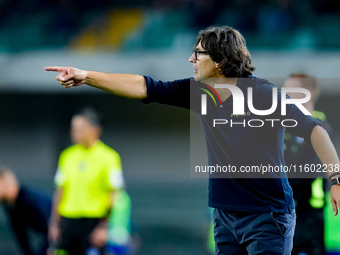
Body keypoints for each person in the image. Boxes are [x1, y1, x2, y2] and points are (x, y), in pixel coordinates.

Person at [44, 26, 340, 255]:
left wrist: (336, 180)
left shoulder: (263, 94)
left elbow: (315, 130)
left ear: (221, 61)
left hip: (268, 217)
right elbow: (144, 86)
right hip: (225, 217)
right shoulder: (200, 92)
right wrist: (87, 76)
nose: (191, 59)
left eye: (198, 53)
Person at [48, 107, 125, 255]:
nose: (74, 133)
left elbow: (114, 195)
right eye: (73, 129)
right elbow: (60, 191)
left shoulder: (110, 158)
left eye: (80, 129)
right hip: (68, 222)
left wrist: (104, 227)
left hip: (93, 223)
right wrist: (55, 224)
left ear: (94, 130)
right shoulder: (66, 156)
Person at [283, 73, 331, 255]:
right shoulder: (284, 127)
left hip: (310, 211)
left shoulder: (320, 127)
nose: (285, 95)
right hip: (287, 212)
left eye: (291, 90)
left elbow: (310, 168)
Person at [0, 166, 52, 255]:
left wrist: (51, 248)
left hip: (62, 232)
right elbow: (22, 238)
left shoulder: (28, 200)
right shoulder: (11, 207)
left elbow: (51, 227)